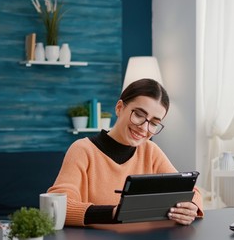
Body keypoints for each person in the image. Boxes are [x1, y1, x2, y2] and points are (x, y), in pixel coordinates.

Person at [47, 78, 204, 226]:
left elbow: (191, 191)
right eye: (138, 115)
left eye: (154, 123)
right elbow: (57, 206)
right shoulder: (83, 150)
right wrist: (114, 213)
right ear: (119, 108)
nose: (144, 127)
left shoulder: (151, 151)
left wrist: (191, 206)